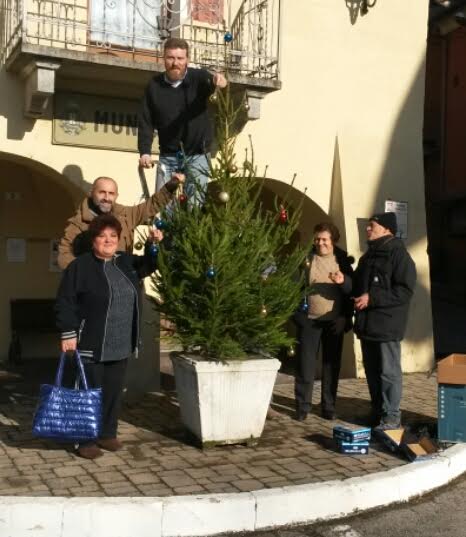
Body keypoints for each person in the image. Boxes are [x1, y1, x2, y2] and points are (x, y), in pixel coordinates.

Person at [55, 214, 163, 459]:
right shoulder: (79, 267)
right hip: (90, 341)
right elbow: (65, 302)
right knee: (88, 391)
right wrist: (68, 332)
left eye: (112, 236)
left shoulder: (124, 261)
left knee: (113, 390)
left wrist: (153, 245)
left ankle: (107, 433)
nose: (108, 240)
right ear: (93, 239)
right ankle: (85, 440)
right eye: (102, 235)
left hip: (121, 342)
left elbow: (148, 265)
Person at [138, 37, 227, 205]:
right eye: (170, 58)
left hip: (197, 155)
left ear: (187, 60)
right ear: (163, 58)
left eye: (180, 58)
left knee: (194, 206)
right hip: (168, 156)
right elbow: (146, 120)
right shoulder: (154, 86)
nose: (175, 63)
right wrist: (144, 152)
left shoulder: (198, 78)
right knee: (162, 207)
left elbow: (214, 85)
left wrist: (220, 83)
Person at [352, 212, 416, 430]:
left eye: (372, 226)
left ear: (387, 229)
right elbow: (357, 286)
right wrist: (344, 280)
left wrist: (372, 298)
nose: (367, 229)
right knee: (372, 371)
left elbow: (405, 291)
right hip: (367, 324)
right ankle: (377, 412)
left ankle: (391, 417)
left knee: (388, 372)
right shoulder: (367, 257)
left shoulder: (399, 255)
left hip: (387, 325)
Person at [57, 174, 183, 270]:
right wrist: (87, 274)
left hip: (123, 278)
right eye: (102, 192)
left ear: (116, 196)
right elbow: (64, 257)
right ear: (91, 193)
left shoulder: (125, 215)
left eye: (111, 194)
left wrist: (170, 187)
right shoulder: (78, 223)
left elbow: (151, 205)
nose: (106, 198)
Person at [293, 222, 354, 422]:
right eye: (317, 239)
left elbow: (352, 289)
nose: (320, 243)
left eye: (324, 239)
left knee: (331, 365)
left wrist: (343, 282)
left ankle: (328, 406)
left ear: (333, 241)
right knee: (305, 364)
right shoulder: (305, 258)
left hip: (333, 321)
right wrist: (297, 316)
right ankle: (302, 406)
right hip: (308, 319)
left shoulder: (342, 260)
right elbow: (293, 286)